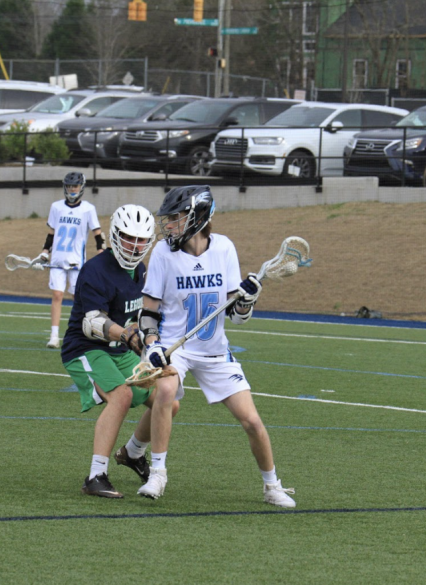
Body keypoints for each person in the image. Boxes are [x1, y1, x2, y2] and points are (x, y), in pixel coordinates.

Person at [135, 184, 296, 508]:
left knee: (251, 421)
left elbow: (236, 317)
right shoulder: (164, 255)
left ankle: (272, 486)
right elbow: (149, 312)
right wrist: (151, 345)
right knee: (165, 392)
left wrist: (246, 301)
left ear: (196, 218)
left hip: (214, 350)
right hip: (174, 346)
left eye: (176, 218)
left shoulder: (223, 249)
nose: (168, 225)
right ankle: (158, 472)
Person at [61, 204, 179, 498]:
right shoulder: (95, 270)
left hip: (119, 349)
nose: (135, 245)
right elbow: (92, 322)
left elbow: (139, 318)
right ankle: (96, 475)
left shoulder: (139, 270)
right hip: (86, 348)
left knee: (169, 401)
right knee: (122, 396)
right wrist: (128, 336)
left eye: (141, 240)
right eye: (129, 237)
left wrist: (147, 345)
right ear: (114, 235)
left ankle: (133, 452)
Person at [34, 172, 105, 349]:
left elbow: (97, 234)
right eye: (70, 186)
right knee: (57, 295)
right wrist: (44, 253)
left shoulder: (88, 209)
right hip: (57, 260)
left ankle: (79, 333)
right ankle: (54, 335)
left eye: (76, 186)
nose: (73, 189)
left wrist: (102, 252)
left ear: (81, 187)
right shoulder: (56, 207)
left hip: (76, 262)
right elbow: (51, 234)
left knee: (77, 298)